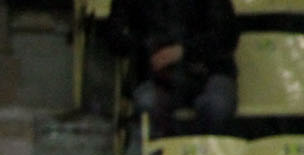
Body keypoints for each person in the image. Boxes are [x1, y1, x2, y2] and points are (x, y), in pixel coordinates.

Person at [102, 0, 238, 139]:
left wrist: (184, 51)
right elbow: (114, 36)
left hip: (210, 70)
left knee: (217, 106)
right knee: (148, 103)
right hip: (155, 75)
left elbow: (226, 35)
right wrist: (147, 48)